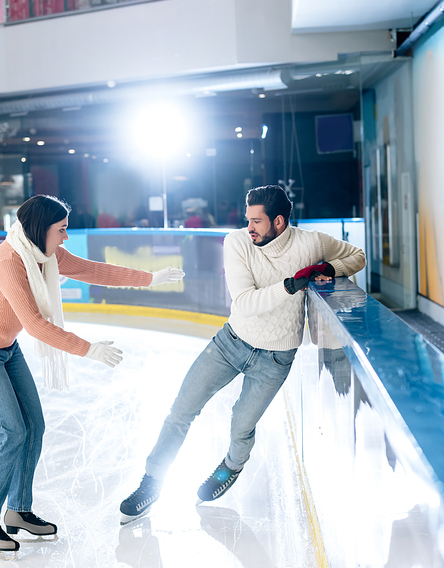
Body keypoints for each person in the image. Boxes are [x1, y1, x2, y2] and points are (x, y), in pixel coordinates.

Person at [119, 184, 366, 523]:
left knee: (240, 426)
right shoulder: (236, 243)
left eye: (256, 221)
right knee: (181, 410)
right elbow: (245, 303)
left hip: (276, 358)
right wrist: (289, 285)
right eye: (247, 219)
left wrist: (327, 269)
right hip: (231, 343)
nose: (249, 227)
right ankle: (151, 483)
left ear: (278, 222)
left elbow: (357, 255)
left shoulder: (310, 243)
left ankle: (230, 469)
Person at [0, 194, 184, 558]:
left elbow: (95, 270)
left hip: (5, 348)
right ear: (38, 229)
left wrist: (151, 279)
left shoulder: (43, 255)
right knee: (11, 430)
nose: (65, 238)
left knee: (34, 425)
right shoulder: (9, 262)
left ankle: (18, 510)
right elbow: (35, 325)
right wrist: (88, 348)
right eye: (60, 230)